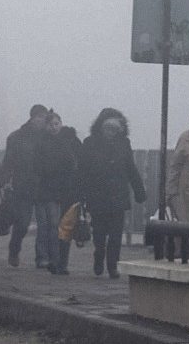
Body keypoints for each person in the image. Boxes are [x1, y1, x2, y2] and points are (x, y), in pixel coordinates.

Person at [77, 108, 146, 278]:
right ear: (101, 127)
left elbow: (130, 168)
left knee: (116, 234)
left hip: (118, 195)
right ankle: (99, 254)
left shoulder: (124, 143)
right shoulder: (89, 143)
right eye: (108, 128)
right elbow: (82, 171)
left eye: (114, 129)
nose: (111, 132)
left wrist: (139, 190)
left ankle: (113, 265)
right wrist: (81, 194)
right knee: (99, 233)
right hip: (97, 195)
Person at [0, 104, 50, 268]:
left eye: (44, 117)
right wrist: (4, 181)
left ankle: (42, 257)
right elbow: (8, 162)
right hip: (23, 185)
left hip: (44, 185)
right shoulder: (17, 137)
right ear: (32, 117)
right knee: (22, 223)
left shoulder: (49, 137)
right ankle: (14, 249)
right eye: (39, 117)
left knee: (45, 224)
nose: (41, 120)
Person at [36, 111, 79, 275]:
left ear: (61, 123)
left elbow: (79, 162)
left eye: (56, 124)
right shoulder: (41, 143)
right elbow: (38, 167)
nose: (54, 127)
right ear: (46, 126)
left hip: (68, 190)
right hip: (49, 190)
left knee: (65, 226)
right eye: (50, 125)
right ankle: (54, 260)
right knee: (53, 225)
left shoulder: (71, 139)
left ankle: (62, 263)